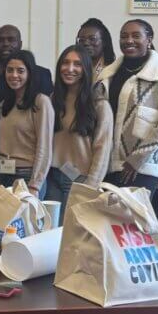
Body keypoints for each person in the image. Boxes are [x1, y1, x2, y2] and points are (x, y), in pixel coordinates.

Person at [98, 19, 158, 193]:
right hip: (108, 164)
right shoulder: (108, 75)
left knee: (133, 218)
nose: (129, 40)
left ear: (149, 39)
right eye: (124, 36)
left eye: (136, 35)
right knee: (109, 218)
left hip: (142, 166)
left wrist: (138, 158)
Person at [0, 25, 54, 180]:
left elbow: (45, 140)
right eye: (0, 40)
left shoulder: (42, 81)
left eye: (11, 40)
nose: (5, 44)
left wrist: (36, 183)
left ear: (20, 43)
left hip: (28, 170)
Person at [46, 45, 112, 208]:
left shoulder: (99, 105)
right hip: (51, 176)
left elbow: (102, 150)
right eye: (65, 63)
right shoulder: (53, 99)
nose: (70, 69)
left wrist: (90, 187)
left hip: (79, 180)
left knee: (68, 231)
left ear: (86, 69)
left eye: (77, 64)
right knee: (50, 230)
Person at [0, 50, 54, 198]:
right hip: (4, 174)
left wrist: (35, 184)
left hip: (28, 178)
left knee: (25, 221)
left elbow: (45, 147)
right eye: (10, 70)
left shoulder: (40, 102)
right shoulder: (5, 104)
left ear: (29, 74)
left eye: (20, 71)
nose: (14, 75)